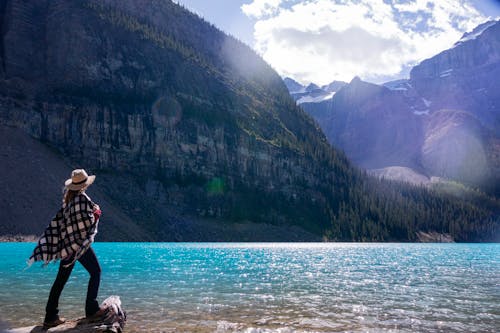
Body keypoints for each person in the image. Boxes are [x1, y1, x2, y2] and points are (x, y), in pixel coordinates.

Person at [29, 169, 105, 329]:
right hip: (78, 245)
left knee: (60, 280)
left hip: (67, 245)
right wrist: (96, 214)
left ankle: (50, 316)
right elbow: (85, 223)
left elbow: (69, 224)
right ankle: (91, 309)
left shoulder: (69, 199)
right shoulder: (82, 199)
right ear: (84, 185)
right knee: (96, 272)